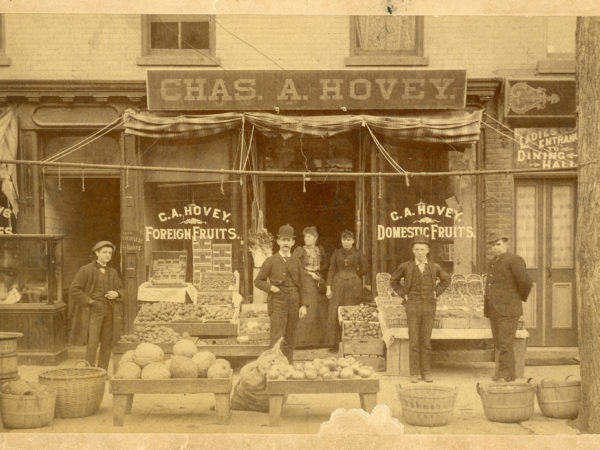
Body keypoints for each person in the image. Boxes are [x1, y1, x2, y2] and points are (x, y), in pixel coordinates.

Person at [390, 235, 450, 383]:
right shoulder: (406, 266)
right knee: (414, 340)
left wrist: (437, 291)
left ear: (428, 250)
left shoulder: (434, 267)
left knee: (426, 341)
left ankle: (426, 372)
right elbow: (393, 281)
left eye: (422, 249)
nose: (419, 252)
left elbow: (446, 280)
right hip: (412, 304)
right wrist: (403, 294)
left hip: (429, 304)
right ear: (412, 250)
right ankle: (414, 373)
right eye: (416, 249)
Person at [68, 241, 125, 371]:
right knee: (92, 342)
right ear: (97, 253)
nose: (107, 255)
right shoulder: (85, 270)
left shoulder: (113, 272)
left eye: (110, 253)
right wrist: (90, 302)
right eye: (104, 252)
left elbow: (123, 290)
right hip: (93, 311)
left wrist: (116, 293)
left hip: (109, 310)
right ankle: (90, 372)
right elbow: (75, 290)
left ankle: (102, 371)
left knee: (107, 342)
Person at [254, 224, 307, 362]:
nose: (285, 243)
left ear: (293, 243)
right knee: (277, 337)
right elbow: (258, 281)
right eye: (283, 240)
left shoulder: (297, 261)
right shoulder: (271, 261)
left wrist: (304, 305)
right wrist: (271, 288)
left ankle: (288, 366)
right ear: (278, 242)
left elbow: (304, 284)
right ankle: (274, 366)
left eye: (288, 240)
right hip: (277, 303)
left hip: (294, 303)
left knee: (291, 337)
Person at [485, 232, 532, 382]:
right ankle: (502, 373)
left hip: (509, 309)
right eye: (492, 246)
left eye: (498, 244)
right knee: (499, 343)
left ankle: (508, 376)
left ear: (506, 244)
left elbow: (526, 283)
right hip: (494, 309)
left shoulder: (515, 260)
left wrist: (516, 299)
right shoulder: (492, 262)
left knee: (506, 344)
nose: (495, 248)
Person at [325, 229, 367, 349]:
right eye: (344, 240)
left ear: (353, 241)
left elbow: (365, 268)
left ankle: (350, 344)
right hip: (337, 284)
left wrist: (355, 275)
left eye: (349, 240)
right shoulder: (336, 253)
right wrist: (329, 287)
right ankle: (334, 344)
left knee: (351, 311)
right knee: (335, 311)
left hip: (353, 286)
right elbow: (331, 270)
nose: (346, 242)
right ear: (341, 241)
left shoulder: (358, 253)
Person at [292, 226, 328, 348]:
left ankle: (319, 341)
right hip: (306, 279)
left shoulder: (319, 250)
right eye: (305, 236)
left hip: (318, 279)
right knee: (309, 308)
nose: (306, 239)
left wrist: (318, 272)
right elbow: (295, 267)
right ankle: (302, 342)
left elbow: (324, 264)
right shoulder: (300, 250)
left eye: (309, 236)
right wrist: (310, 273)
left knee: (320, 307)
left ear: (315, 238)